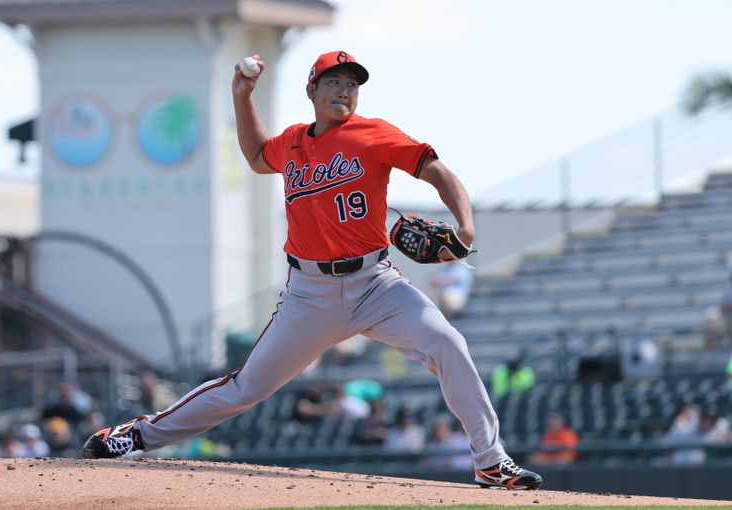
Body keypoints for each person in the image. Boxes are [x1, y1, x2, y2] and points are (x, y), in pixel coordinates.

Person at [81, 50, 542, 491]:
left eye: (352, 84)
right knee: (245, 387)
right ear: (312, 89)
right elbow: (258, 157)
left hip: (375, 285)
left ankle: (490, 461)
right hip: (308, 294)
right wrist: (242, 97)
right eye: (334, 82)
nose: (345, 91)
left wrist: (465, 224)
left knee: (448, 343)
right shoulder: (294, 141)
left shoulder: (374, 133)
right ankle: (136, 437)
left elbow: (437, 172)